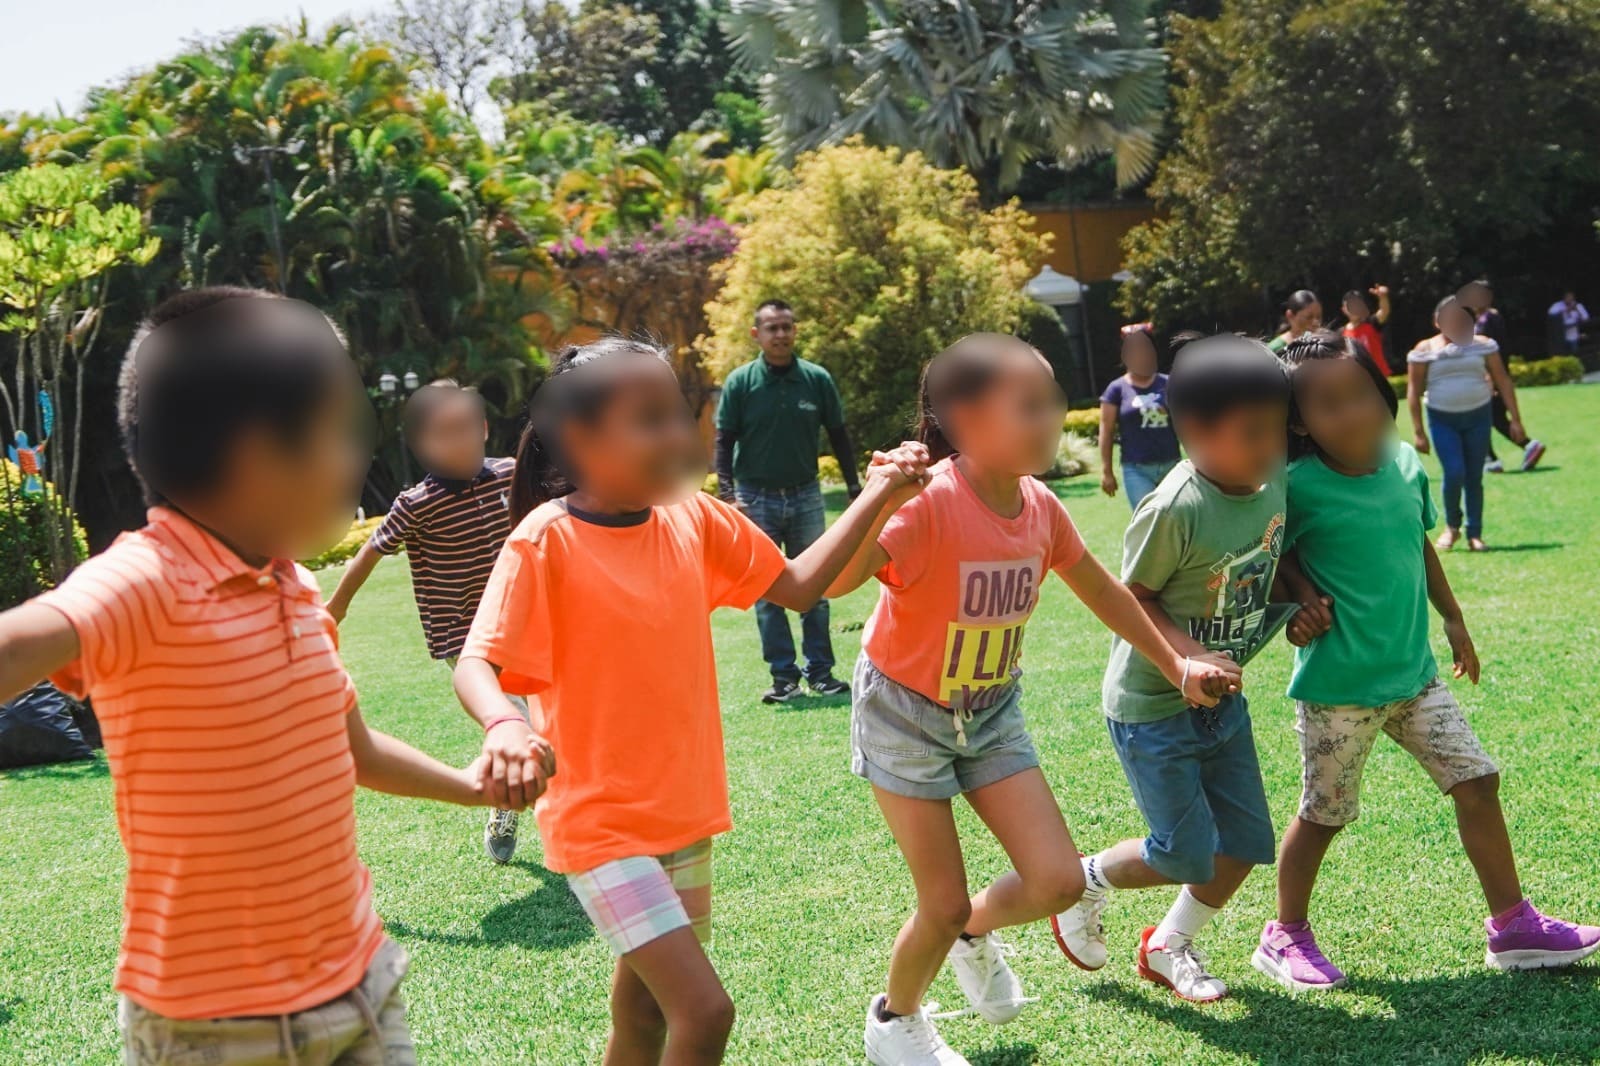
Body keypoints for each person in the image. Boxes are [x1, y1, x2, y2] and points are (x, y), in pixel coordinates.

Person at [0, 288, 545, 1065]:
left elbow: (353, 752)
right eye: (342, 432)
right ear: (260, 455)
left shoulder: (291, 585)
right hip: (217, 1024)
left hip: (358, 981)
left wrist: (473, 786)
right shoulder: (145, 580)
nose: (359, 457)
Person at [454, 337, 929, 1066]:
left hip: (681, 812)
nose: (678, 436)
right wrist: (502, 728)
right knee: (704, 1013)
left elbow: (800, 586)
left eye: (678, 414)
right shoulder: (546, 541)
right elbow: (477, 664)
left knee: (642, 1015)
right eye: (649, 420)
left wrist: (881, 494)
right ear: (579, 439)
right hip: (600, 823)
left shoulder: (693, 516)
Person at [826, 335, 1240, 1065]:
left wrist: (1176, 662)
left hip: (989, 713)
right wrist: (882, 492)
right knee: (942, 898)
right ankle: (895, 1021)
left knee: (1053, 881)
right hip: (904, 714)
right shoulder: (927, 506)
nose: (1051, 417)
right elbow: (837, 581)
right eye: (1029, 405)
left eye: (1052, 401)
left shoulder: (1040, 506)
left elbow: (1104, 593)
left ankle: (970, 933)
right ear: (961, 418)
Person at [1253, 330, 1599, 990]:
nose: (1352, 413)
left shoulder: (1406, 466)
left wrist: (1454, 616)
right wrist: (1298, 598)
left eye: (1361, 395)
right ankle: (1284, 933)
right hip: (1340, 689)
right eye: (1329, 404)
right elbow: (1268, 560)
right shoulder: (1295, 486)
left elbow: (1419, 542)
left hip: (1415, 677)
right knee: (1324, 815)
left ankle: (1513, 924)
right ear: (1299, 421)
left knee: (1477, 781)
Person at [1052, 336, 1290, 1003]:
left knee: (1243, 842)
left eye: (1278, 429)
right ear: (1194, 431)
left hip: (1221, 700)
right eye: (1253, 434)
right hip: (1153, 704)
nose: (1272, 447)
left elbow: (1277, 548)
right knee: (1183, 853)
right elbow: (1134, 598)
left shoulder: (1272, 481)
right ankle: (1084, 879)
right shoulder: (1175, 508)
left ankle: (1168, 945)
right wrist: (1183, 658)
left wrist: (1300, 599)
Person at [327, 379, 527, 863]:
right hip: (465, 636)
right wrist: (336, 609)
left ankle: (519, 792)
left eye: (465, 428)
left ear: (483, 428)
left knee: (543, 718)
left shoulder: (512, 475)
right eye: (444, 433)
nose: (459, 441)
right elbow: (369, 555)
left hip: (523, 619)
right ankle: (507, 803)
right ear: (421, 447)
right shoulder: (417, 503)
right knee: (517, 719)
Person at [715, 299, 860, 703]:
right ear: (756, 335)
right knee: (766, 590)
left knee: (817, 587)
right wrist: (728, 495)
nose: (780, 335)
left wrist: (853, 487)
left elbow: (839, 435)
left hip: (806, 496)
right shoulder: (741, 383)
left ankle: (821, 673)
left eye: (786, 327)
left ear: (795, 331)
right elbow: (724, 440)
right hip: (755, 498)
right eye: (771, 328)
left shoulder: (816, 379)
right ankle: (784, 678)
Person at [1407, 295, 1524, 552]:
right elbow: (1413, 392)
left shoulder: (1483, 345)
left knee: (1474, 476)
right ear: (1438, 322)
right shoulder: (1424, 350)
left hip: (1477, 417)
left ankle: (1475, 533)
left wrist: (1516, 419)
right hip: (1442, 419)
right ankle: (1452, 527)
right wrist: (1419, 432)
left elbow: (1502, 380)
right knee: (1455, 471)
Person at [1459, 281, 1545, 473]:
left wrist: (1494, 378)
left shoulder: (1491, 319)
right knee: (1494, 418)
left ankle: (1491, 460)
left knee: (1479, 417)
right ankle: (1527, 447)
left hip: (1491, 378)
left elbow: (1497, 352)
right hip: (1486, 377)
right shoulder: (1480, 319)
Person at [1099, 324, 1182, 510]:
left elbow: (1188, 424)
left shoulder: (1170, 383)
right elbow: (1107, 430)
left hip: (1172, 467)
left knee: (1180, 522)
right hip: (1136, 469)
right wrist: (1107, 471)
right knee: (1148, 523)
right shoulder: (1116, 389)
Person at [1338, 285, 1392, 375]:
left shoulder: (1372, 323)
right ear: (1344, 310)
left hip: (1379, 375)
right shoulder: (1341, 333)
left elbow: (1384, 312)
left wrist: (1383, 297)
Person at [1547, 290, 1590, 355]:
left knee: (1574, 354)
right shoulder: (1558, 305)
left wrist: (1577, 310)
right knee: (1562, 354)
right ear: (1564, 298)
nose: (1570, 299)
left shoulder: (1578, 305)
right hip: (1561, 336)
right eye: (1568, 297)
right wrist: (1567, 309)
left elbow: (1586, 318)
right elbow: (1550, 313)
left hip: (1574, 335)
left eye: (1571, 297)